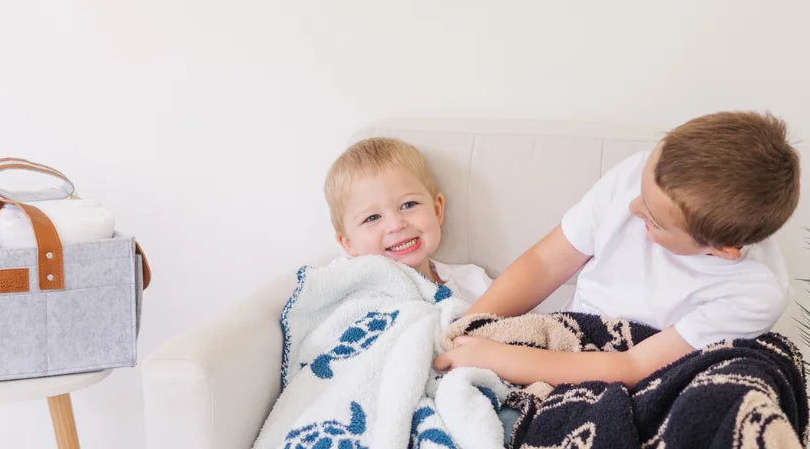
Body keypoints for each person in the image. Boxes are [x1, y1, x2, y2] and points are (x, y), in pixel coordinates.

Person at [434, 111, 800, 386]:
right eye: (642, 193)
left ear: (723, 251)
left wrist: (495, 358)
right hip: (568, 333)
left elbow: (634, 368)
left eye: (654, 221)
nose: (633, 209)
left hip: (630, 363)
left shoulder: (755, 291)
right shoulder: (639, 172)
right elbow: (546, 263)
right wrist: (468, 330)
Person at [326, 137, 492, 303]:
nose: (396, 225)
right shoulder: (340, 283)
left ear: (437, 210)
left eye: (408, 205)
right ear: (348, 243)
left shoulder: (472, 283)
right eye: (372, 217)